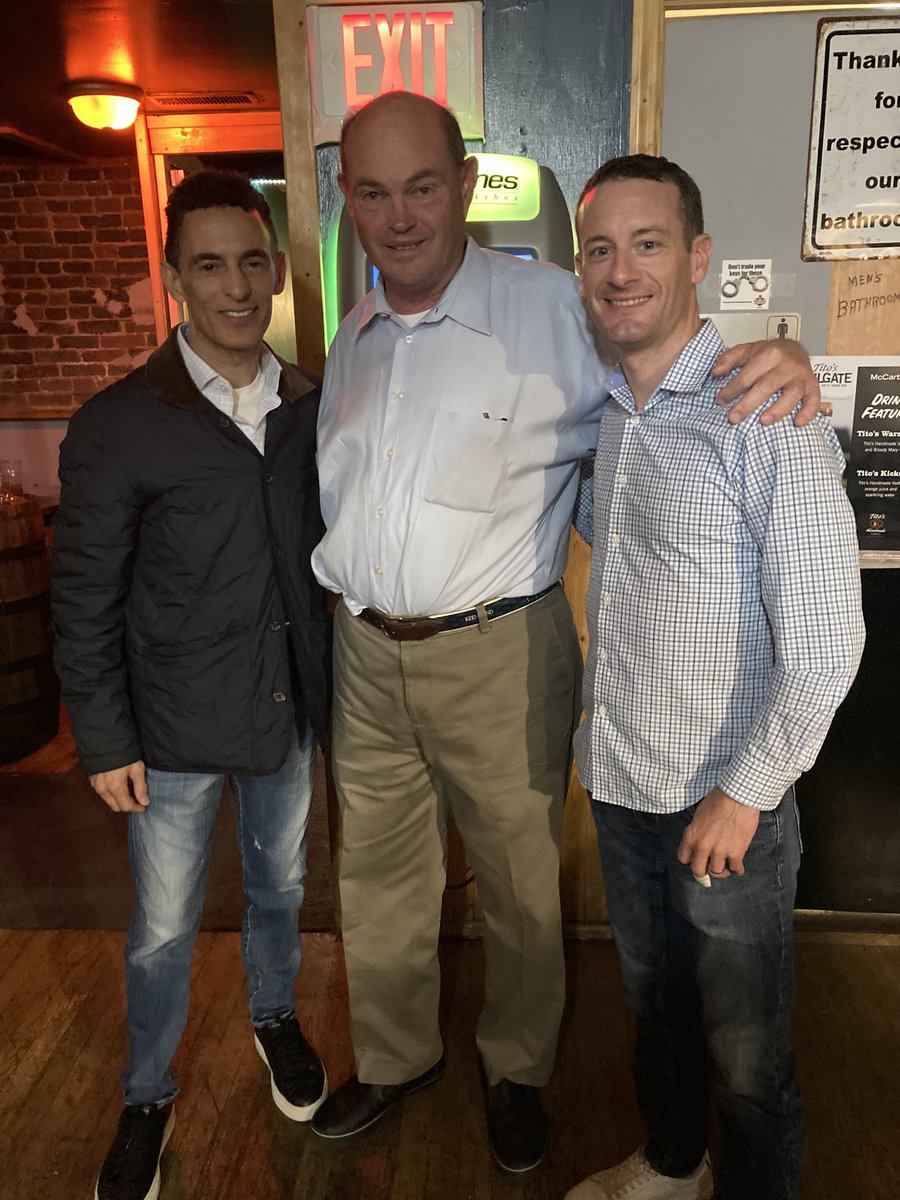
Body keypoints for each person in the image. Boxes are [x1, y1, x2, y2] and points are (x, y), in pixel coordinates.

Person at [307, 92, 822, 1175]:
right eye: (372, 192)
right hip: (362, 650)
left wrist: (793, 357)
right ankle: (399, 1058)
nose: (399, 216)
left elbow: (672, 359)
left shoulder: (555, 307)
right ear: (347, 202)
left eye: (423, 187)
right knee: (379, 880)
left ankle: (516, 1075)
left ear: (464, 186)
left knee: (520, 888)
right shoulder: (349, 334)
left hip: (497, 646)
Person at [565, 155, 865, 1200]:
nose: (620, 270)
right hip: (624, 783)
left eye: (647, 244)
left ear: (696, 259)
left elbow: (829, 642)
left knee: (749, 1056)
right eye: (599, 249)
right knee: (656, 1010)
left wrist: (745, 796)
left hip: (726, 801)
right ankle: (674, 1165)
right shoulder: (609, 414)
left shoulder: (765, 414)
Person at [51, 170, 332, 1200]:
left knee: (282, 893)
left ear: (275, 272)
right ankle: (146, 1094)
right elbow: (81, 599)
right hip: (166, 733)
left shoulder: (310, 398)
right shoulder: (120, 423)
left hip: (285, 712)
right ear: (176, 281)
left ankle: (274, 1020)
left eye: (252, 261)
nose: (237, 285)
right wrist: (105, 738)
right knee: (164, 928)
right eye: (209, 264)